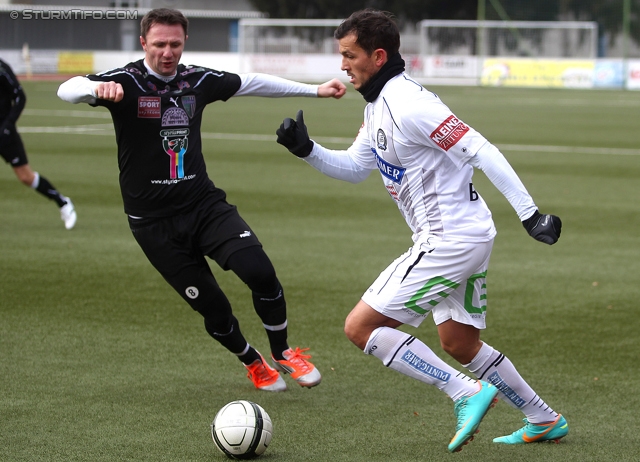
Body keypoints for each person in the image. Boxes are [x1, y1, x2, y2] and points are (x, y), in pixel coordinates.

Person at [276, 8, 568, 452]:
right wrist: (306, 149)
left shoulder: (410, 104)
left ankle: (464, 391)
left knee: (361, 328)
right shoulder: (378, 106)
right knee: (459, 341)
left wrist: (530, 214)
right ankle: (543, 417)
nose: (342, 65)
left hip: (449, 240)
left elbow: (481, 150)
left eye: (349, 55)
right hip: (467, 235)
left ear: (377, 56)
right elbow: (356, 168)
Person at [57, 8, 346, 392]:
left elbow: (252, 82)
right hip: (152, 223)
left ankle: (283, 351)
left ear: (184, 42)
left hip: (203, 206)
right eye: (159, 44)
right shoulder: (125, 81)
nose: (167, 51)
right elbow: (67, 88)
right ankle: (251, 361)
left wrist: (314, 90)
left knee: (260, 272)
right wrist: (94, 89)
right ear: (143, 42)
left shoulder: (198, 80)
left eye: (175, 43)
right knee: (214, 309)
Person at [0, 58, 77, 229]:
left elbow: (20, 97)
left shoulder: (2, 69)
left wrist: (7, 125)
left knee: (25, 177)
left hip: (4, 134)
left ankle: (63, 202)